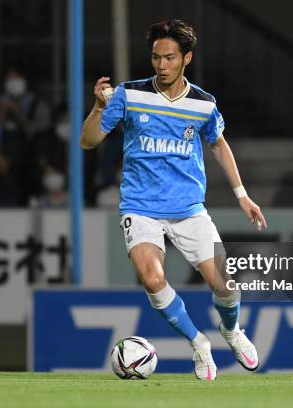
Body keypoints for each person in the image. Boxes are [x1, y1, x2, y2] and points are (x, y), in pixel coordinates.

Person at [80, 19, 267, 380]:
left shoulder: (203, 104)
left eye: (169, 58)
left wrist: (242, 195)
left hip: (188, 211)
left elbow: (218, 144)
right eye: (155, 58)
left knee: (225, 285)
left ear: (186, 58)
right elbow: (88, 142)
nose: (161, 65)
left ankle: (232, 331)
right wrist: (99, 108)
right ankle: (199, 345)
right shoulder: (129, 95)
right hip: (141, 207)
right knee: (152, 279)